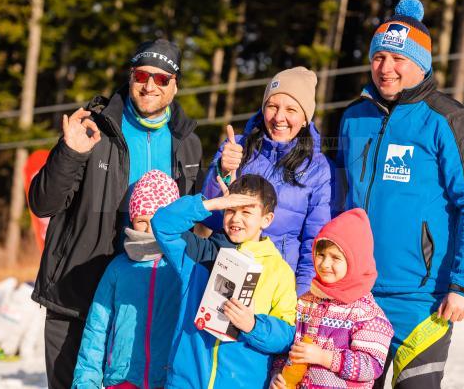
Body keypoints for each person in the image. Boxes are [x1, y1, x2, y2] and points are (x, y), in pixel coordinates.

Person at [335, 0, 464, 388]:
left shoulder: (449, 119)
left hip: (423, 301)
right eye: (378, 58)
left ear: (420, 63)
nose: (385, 68)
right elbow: (338, 198)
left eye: (397, 59)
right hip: (356, 294)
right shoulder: (354, 116)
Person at [28, 39, 203, 389]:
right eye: (142, 75)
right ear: (131, 76)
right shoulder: (96, 127)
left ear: (175, 85)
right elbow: (43, 203)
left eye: (162, 78)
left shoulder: (188, 142)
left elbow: (192, 220)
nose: (150, 85)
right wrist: (69, 153)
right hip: (77, 292)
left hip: (143, 305)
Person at [151, 174, 298, 388]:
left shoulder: (279, 270)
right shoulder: (202, 253)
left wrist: (253, 326)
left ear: (266, 219)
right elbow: (162, 224)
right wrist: (212, 203)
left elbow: (286, 336)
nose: (236, 219)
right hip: (186, 380)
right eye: (231, 210)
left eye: (246, 212)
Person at [201, 67, 335, 296]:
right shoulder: (236, 148)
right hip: (224, 270)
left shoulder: (318, 167)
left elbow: (314, 239)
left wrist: (300, 292)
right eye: (272, 106)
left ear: (305, 119)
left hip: (275, 284)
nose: (279, 117)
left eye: (291, 109)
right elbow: (209, 219)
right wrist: (223, 172)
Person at [72, 170, 184, 389]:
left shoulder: (183, 266)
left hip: (171, 379)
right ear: (132, 220)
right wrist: (86, 382)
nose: (150, 228)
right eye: (142, 220)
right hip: (123, 379)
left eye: (158, 219)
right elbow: (97, 327)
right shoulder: (119, 268)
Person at [270, 209, 393, 389]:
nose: (325, 264)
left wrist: (323, 357)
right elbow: (287, 346)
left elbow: (371, 366)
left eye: (335, 257)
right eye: (321, 255)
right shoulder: (305, 301)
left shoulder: (366, 312)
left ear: (355, 261)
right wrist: (277, 373)